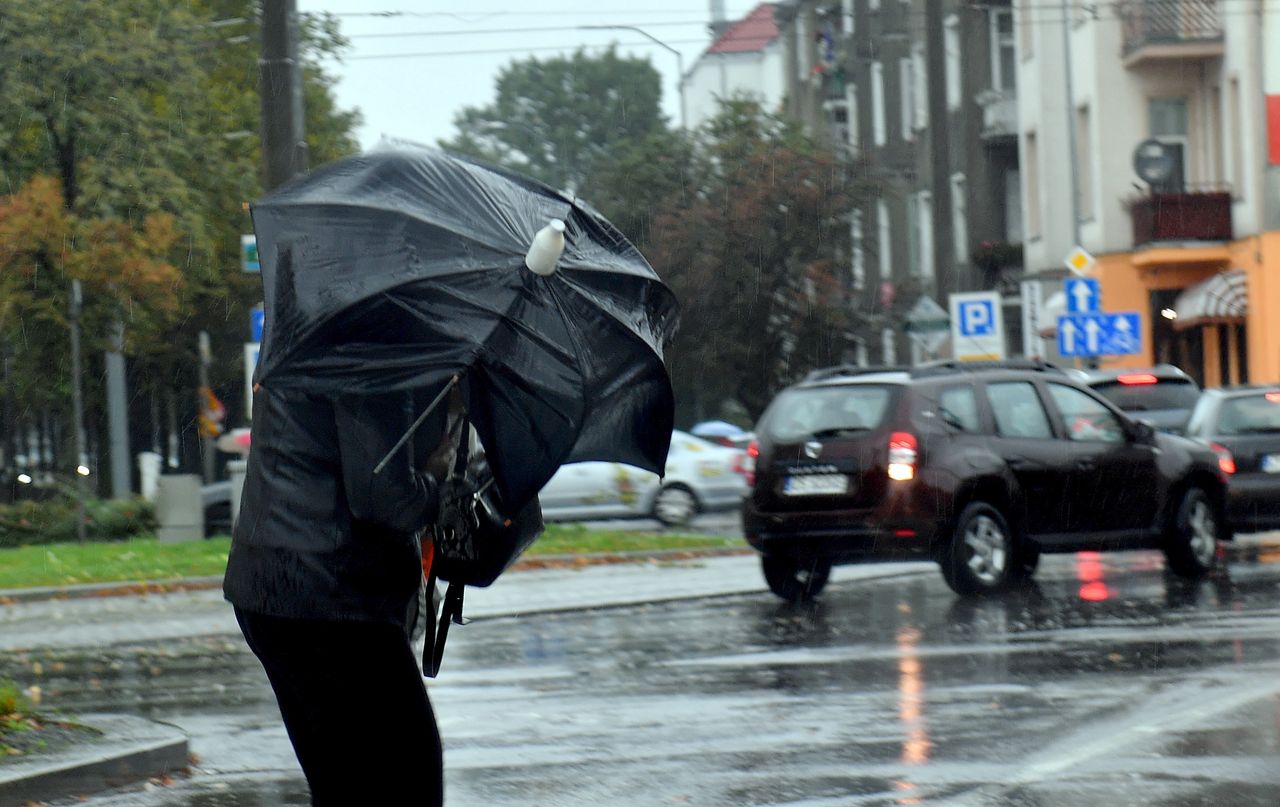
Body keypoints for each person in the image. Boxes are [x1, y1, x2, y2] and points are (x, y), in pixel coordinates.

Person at [224, 382, 455, 805]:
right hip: (334, 592)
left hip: (269, 582)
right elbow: (382, 495)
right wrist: (437, 483)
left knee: (343, 783)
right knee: (409, 778)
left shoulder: (313, 336)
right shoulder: (372, 349)